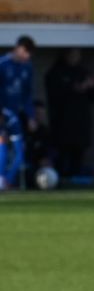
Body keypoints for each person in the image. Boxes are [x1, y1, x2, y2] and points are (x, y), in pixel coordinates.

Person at [43, 48, 94, 179]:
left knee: (78, 152)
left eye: (77, 55)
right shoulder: (56, 72)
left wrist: (92, 87)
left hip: (81, 122)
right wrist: (77, 88)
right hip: (63, 122)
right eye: (72, 55)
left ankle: (76, 177)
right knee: (62, 152)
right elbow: (55, 94)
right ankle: (60, 176)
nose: (75, 58)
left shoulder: (83, 72)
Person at [0, 36, 31, 190]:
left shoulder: (27, 67)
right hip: (2, 113)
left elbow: (27, 94)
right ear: (18, 48)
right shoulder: (3, 64)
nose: (28, 55)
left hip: (14, 115)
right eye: (26, 51)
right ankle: (1, 179)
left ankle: (7, 181)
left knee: (20, 148)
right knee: (2, 142)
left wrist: (31, 116)